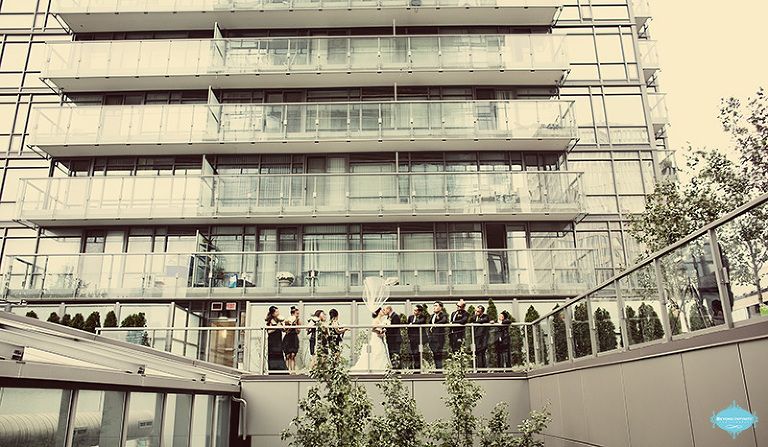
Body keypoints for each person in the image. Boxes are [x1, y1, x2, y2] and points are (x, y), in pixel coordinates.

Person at [351, 307, 391, 372]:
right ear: (378, 312)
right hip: (376, 338)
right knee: (376, 351)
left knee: (380, 351)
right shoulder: (376, 320)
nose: (383, 312)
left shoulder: (380, 320)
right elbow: (373, 329)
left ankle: (380, 369)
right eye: (382, 311)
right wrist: (381, 331)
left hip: (379, 338)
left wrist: (383, 331)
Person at [266, 306, 287, 372]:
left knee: (280, 354)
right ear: (273, 314)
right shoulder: (270, 321)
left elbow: (283, 330)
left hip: (278, 340)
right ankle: (273, 370)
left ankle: (281, 371)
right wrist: (276, 327)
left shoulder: (278, 320)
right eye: (276, 312)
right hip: (272, 341)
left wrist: (282, 327)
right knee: (273, 355)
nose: (278, 313)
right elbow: (268, 331)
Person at [428, 301, 448, 369]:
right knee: (434, 354)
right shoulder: (432, 316)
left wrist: (435, 325)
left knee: (439, 354)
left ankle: (439, 369)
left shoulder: (443, 315)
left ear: (440, 308)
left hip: (439, 338)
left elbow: (444, 321)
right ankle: (437, 368)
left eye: (436, 306)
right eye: (434, 306)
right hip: (432, 338)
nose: (434, 307)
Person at [407, 305, 427, 370]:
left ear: (419, 312)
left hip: (420, 339)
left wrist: (412, 324)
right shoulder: (410, 317)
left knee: (418, 353)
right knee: (414, 353)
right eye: (414, 310)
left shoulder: (423, 317)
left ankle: (418, 369)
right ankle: (416, 368)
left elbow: (421, 321)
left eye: (416, 310)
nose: (414, 312)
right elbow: (408, 326)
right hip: (412, 339)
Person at [282, 306, 300, 373]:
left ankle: (293, 371)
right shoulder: (287, 321)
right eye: (297, 314)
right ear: (292, 314)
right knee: (287, 355)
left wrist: (295, 326)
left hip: (294, 338)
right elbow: (286, 331)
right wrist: (290, 326)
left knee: (293, 355)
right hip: (288, 338)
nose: (298, 315)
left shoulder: (298, 321)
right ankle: (287, 371)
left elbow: (298, 331)